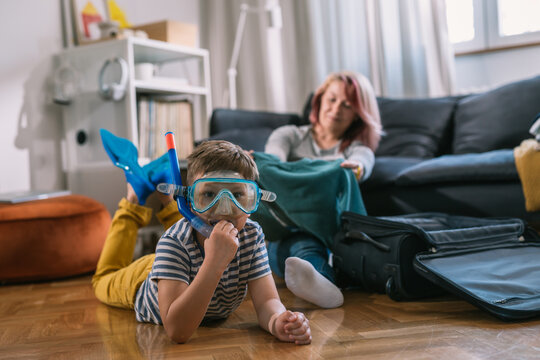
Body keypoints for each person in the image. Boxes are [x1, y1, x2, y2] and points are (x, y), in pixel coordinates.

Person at [92, 134, 312, 345]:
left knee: (193, 230)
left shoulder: (252, 236)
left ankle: (164, 187)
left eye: (237, 195)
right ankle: (134, 194)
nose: (224, 208)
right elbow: (177, 331)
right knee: (102, 279)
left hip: (181, 262)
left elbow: (267, 302)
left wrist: (277, 320)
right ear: (189, 199)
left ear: (253, 200)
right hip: (142, 280)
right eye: (208, 194)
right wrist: (214, 262)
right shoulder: (173, 243)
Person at [263, 71, 382, 309]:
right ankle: (325, 281)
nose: (336, 109)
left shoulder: (357, 151)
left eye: (347, 105)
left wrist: (355, 169)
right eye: (332, 99)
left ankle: (320, 281)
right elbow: (270, 163)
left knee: (309, 246)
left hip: (331, 235)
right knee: (302, 245)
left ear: (358, 114)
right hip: (287, 232)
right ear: (319, 100)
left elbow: (363, 163)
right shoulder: (288, 135)